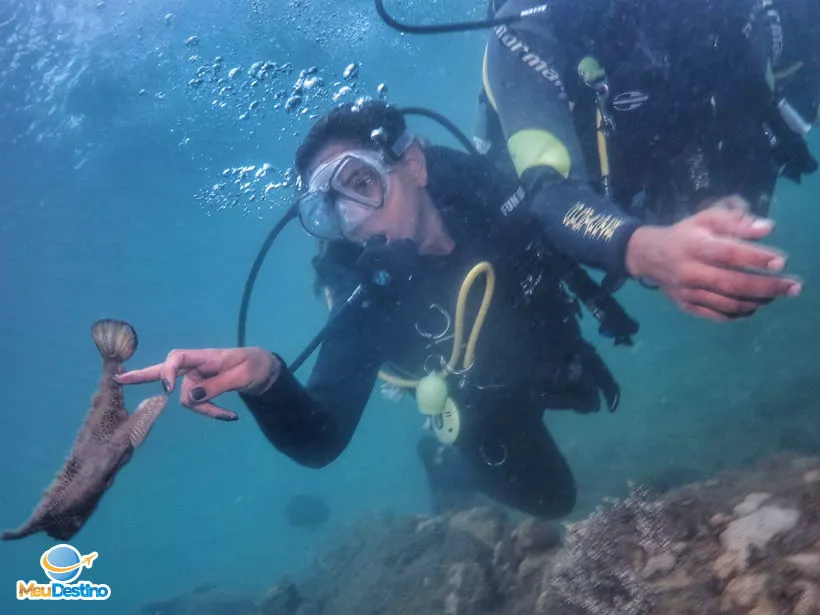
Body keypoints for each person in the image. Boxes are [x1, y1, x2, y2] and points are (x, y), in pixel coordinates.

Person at [116, 100, 803, 519]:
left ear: (410, 164)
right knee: (554, 499)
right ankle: (443, 460)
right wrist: (268, 375)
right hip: (476, 404)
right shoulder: (368, 293)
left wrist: (648, 244)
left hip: (550, 351)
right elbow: (320, 438)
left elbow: (564, 212)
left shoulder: (485, 191)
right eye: (331, 209)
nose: (355, 219)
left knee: (581, 400)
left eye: (359, 182)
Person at [472, 0, 818, 319]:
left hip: (646, 150)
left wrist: (706, 199)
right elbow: (550, 192)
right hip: (571, 194)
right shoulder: (524, 27)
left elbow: (679, 120)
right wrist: (646, 249)